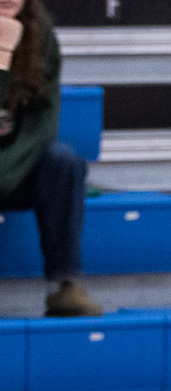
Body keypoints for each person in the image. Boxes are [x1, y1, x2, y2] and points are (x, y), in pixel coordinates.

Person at [0, 0, 100, 317]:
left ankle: (65, 284)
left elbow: (42, 129)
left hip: (10, 171)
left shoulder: (39, 33)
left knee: (63, 162)